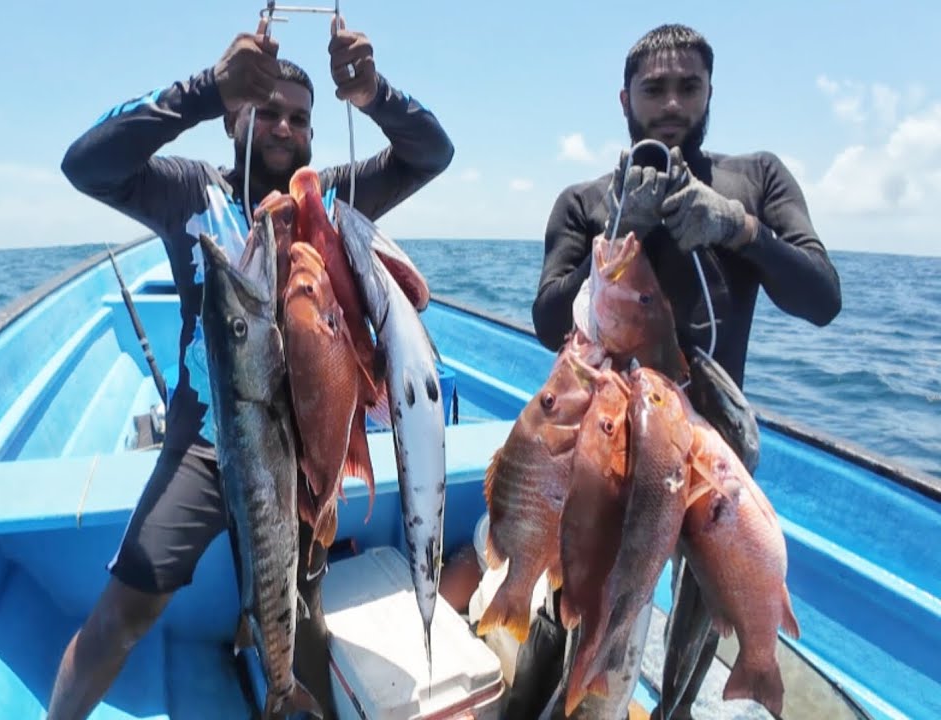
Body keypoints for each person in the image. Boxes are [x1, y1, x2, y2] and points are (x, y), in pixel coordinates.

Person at [47, 16, 454, 720]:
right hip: (208, 441)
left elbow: (429, 155)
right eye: (265, 111)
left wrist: (373, 93)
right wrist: (206, 88)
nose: (283, 127)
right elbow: (87, 165)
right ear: (234, 119)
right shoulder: (188, 191)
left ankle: (290, 688)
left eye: (299, 118)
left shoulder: (325, 197)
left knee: (304, 611)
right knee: (127, 607)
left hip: (309, 442)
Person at [517, 23, 842, 719]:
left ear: (710, 93)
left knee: (702, 624)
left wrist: (741, 230)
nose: (671, 104)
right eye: (654, 88)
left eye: (688, 87)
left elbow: (821, 297)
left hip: (713, 457)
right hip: (604, 457)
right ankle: (546, 701)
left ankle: (678, 706)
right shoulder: (586, 202)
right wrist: (613, 235)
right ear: (625, 98)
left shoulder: (754, 181)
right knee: (580, 607)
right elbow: (548, 319)